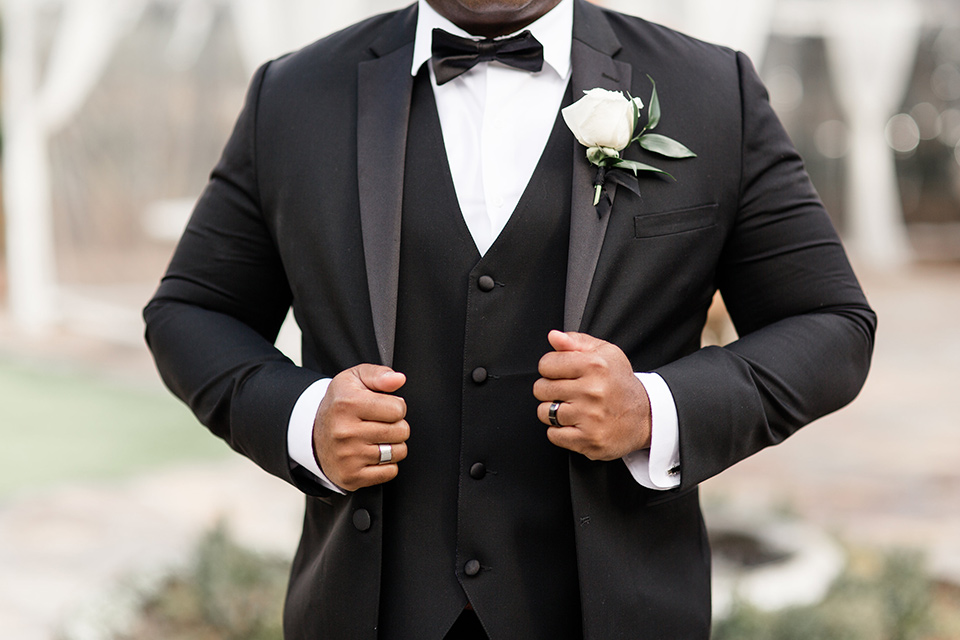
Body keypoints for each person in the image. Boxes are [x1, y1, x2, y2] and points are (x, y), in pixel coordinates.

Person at [143, 0, 876, 638]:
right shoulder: (295, 95)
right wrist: (302, 419)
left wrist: (655, 409)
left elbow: (831, 322)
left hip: (618, 609)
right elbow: (192, 311)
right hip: (368, 610)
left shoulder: (712, 91)